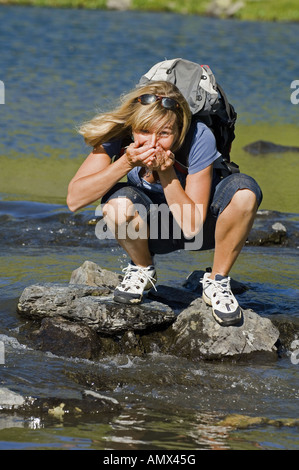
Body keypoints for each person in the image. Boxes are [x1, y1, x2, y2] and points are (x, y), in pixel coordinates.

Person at [67, 80, 262, 327]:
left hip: (202, 227)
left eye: (164, 134)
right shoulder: (121, 133)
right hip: (151, 232)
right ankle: (143, 269)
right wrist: (126, 163)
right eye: (144, 132)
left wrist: (167, 173)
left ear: (178, 130)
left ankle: (217, 280)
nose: (152, 143)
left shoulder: (199, 136)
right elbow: (74, 199)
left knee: (245, 192)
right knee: (116, 206)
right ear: (132, 127)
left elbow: (192, 227)